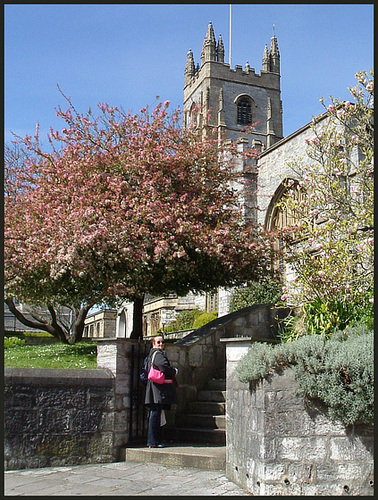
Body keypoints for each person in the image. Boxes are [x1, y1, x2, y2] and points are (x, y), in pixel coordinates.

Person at [145, 334, 178, 448]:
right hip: (157, 388)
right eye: (158, 342)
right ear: (153, 344)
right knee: (155, 414)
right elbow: (163, 367)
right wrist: (174, 371)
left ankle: (155, 440)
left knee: (156, 414)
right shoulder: (158, 354)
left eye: (162, 342)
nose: (161, 344)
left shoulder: (152, 354)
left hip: (154, 387)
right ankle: (153, 441)